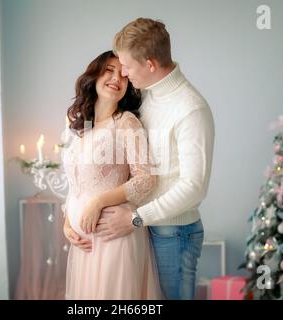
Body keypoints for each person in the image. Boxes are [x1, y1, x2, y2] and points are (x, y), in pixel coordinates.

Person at [95, 18, 215, 300]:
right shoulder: (146, 97)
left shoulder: (191, 109)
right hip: (146, 228)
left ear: (149, 64)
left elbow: (194, 186)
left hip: (173, 234)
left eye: (126, 65)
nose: (122, 73)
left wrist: (137, 219)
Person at [62, 50, 162, 300]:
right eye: (109, 70)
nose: (116, 78)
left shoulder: (126, 122)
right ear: (94, 75)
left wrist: (98, 202)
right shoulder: (82, 127)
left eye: (123, 74)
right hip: (85, 243)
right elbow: (77, 184)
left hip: (114, 237)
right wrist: (67, 223)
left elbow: (147, 179)